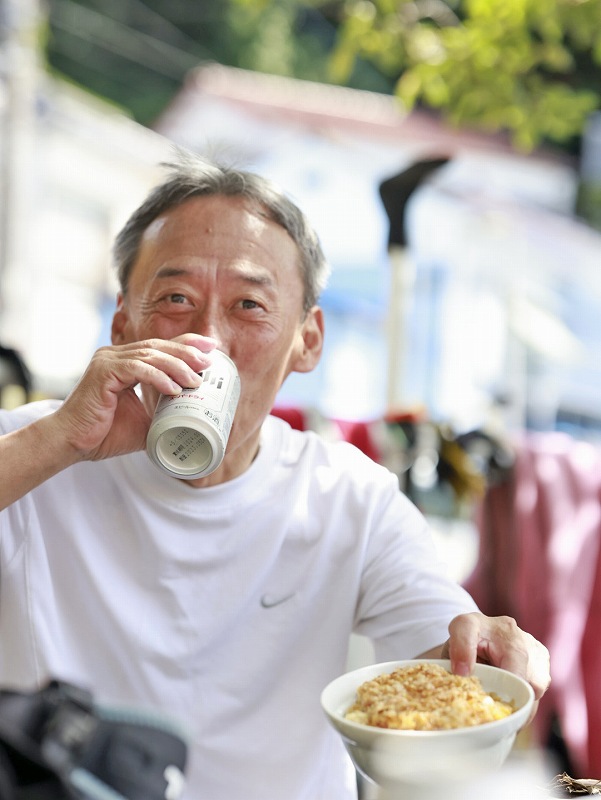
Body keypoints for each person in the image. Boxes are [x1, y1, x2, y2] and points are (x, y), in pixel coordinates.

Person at [0, 152, 550, 800]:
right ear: (124, 323)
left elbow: (448, 664)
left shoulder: (348, 496)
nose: (208, 340)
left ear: (307, 340)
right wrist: (60, 441)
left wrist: (486, 653)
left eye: (249, 305)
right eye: (175, 298)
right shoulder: (40, 446)